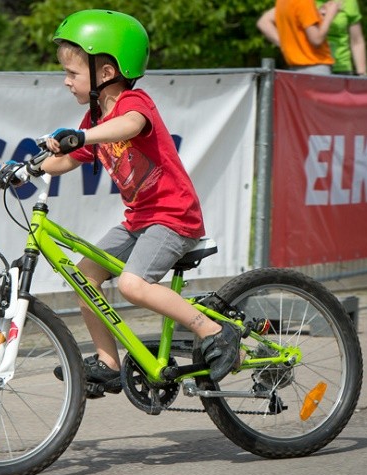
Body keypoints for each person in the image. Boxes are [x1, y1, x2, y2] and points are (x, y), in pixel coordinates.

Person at [36, 10, 241, 393]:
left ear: (107, 72)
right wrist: (27, 168)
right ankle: (108, 362)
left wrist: (84, 137)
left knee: (133, 284)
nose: (66, 81)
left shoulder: (134, 103)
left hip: (172, 217)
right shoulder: (94, 117)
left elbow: (129, 126)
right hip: (138, 220)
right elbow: (66, 159)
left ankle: (214, 332)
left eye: (72, 73)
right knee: (85, 277)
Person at [258, 1, 367, 75]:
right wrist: (288, 45)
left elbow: (357, 41)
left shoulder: (349, 2)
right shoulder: (307, 2)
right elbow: (264, 22)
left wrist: (362, 74)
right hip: (314, 64)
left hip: (342, 67)